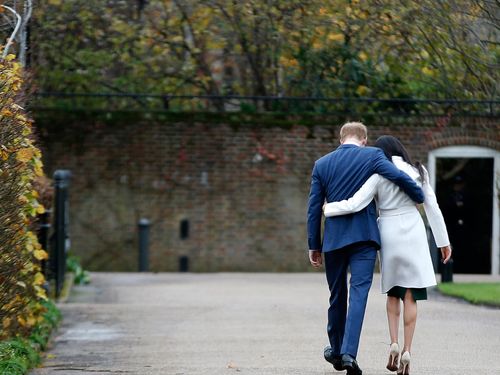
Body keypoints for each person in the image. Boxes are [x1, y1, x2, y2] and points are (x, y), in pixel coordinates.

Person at [323, 135, 452, 375]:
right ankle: (407, 350)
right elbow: (432, 207)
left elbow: (354, 203)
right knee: (411, 294)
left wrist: (329, 208)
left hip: (389, 231)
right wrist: (443, 242)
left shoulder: (377, 174)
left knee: (393, 292)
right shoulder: (418, 171)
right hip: (413, 229)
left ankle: (392, 342)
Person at [307, 123, 424, 375]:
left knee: (337, 294)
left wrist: (313, 245)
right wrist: (418, 193)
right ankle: (349, 354)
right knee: (358, 294)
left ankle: (336, 350)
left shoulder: (322, 164)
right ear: (364, 139)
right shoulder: (372, 156)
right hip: (364, 238)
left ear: (341, 139)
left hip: (334, 240)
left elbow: (314, 208)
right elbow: (397, 176)